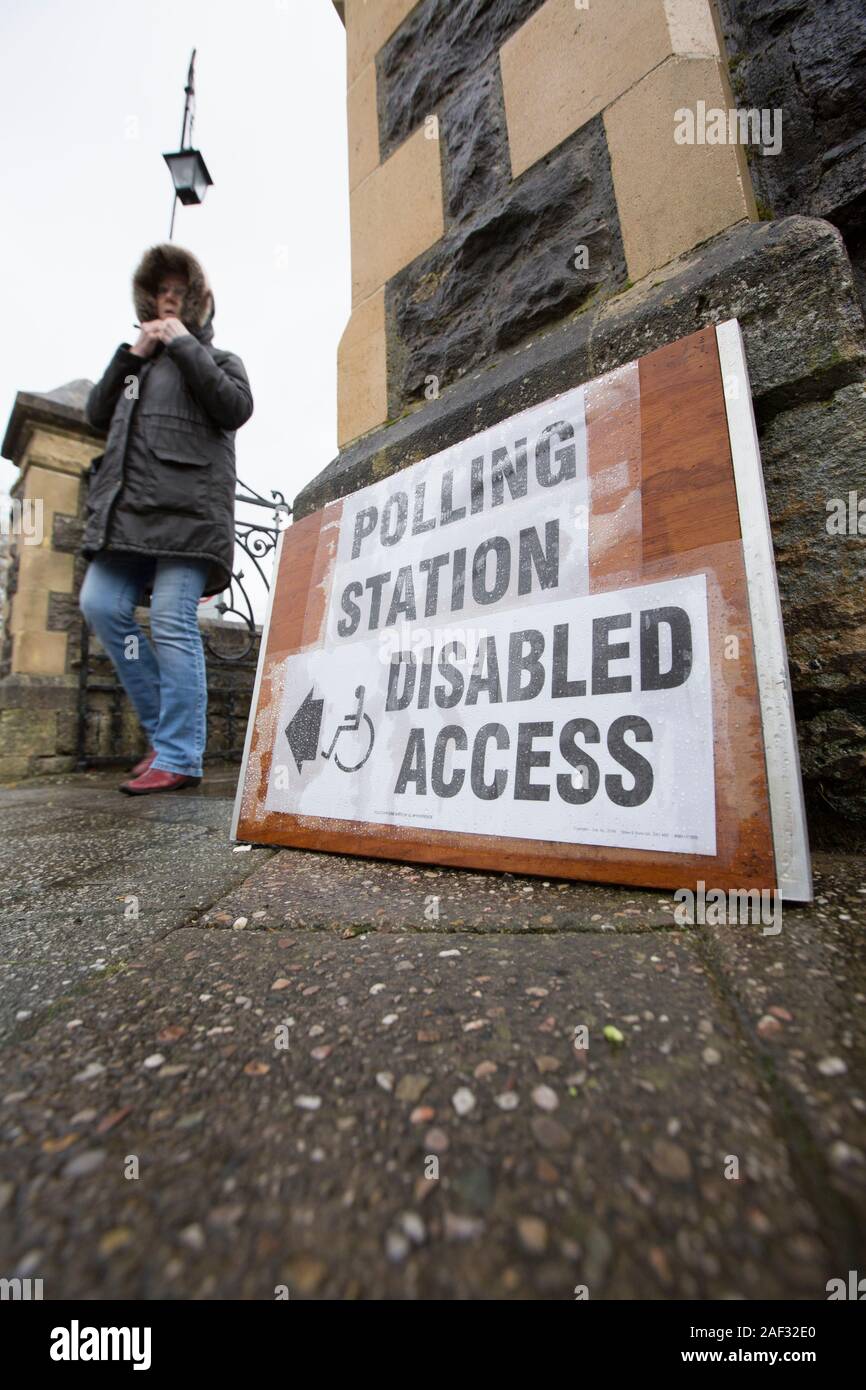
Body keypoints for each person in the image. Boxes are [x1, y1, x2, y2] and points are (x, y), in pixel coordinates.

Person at [79, 243, 253, 794]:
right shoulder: (137, 368)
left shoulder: (218, 360)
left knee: (175, 624)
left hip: (188, 514)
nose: (169, 300)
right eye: (161, 293)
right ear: (148, 301)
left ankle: (179, 755)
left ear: (197, 302)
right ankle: (163, 732)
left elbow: (235, 408)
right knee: (101, 605)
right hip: (128, 516)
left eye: (180, 293)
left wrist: (184, 347)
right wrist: (131, 354)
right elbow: (94, 418)